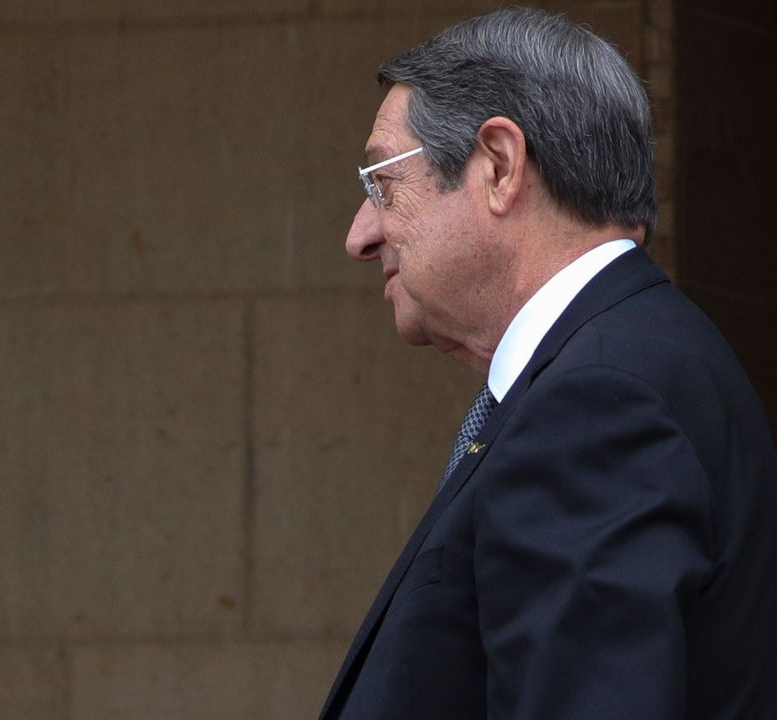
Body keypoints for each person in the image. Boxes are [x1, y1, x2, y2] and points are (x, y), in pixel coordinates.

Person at [319, 8, 777, 719]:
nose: (360, 234)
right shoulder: (629, 360)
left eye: (382, 181)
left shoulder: (599, 400)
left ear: (499, 166)